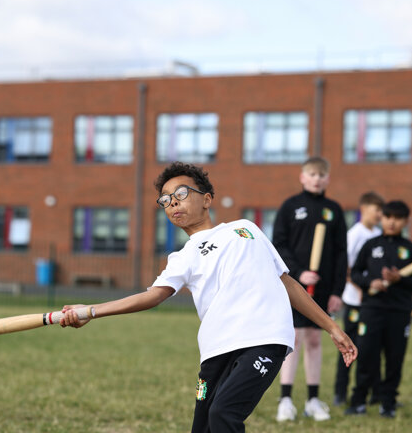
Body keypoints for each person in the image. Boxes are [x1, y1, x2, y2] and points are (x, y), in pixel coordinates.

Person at [60, 162, 357, 433]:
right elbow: (152, 296)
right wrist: (89, 311)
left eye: (181, 193)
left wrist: (332, 327)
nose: (173, 202)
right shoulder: (182, 257)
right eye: (166, 200)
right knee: (202, 427)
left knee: (224, 414)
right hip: (216, 351)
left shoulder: (245, 229)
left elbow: (287, 283)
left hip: (264, 340)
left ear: (207, 199)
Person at [271, 156, 348, 422]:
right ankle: (285, 399)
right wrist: (298, 272)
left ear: (328, 179)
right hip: (294, 286)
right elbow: (278, 245)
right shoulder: (290, 207)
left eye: (321, 175)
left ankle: (313, 399)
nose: (317, 179)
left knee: (315, 339)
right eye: (312, 174)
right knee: (293, 338)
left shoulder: (333, 210)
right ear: (302, 177)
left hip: (323, 288)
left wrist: (337, 290)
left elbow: (341, 253)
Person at [345, 200, 412, 418]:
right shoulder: (371, 245)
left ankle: (388, 402)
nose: (392, 222)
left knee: (394, 358)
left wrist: (400, 279)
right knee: (366, 354)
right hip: (372, 309)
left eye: (397, 218)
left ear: (406, 221)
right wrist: (370, 282)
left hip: (399, 312)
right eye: (388, 217)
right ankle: (358, 400)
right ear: (382, 219)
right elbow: (356, 273)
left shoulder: (409, 248)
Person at [333, 191, 384, 406]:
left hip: (374, 302)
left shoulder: (378, 234)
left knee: (372, 347)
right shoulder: (355, 234)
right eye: (377, 210)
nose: (380, 215)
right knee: (349, 345)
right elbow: (347, 268)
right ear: (364, 209)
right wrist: (362, 286)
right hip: (356, 301)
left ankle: (375, 392)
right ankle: (340, 392)